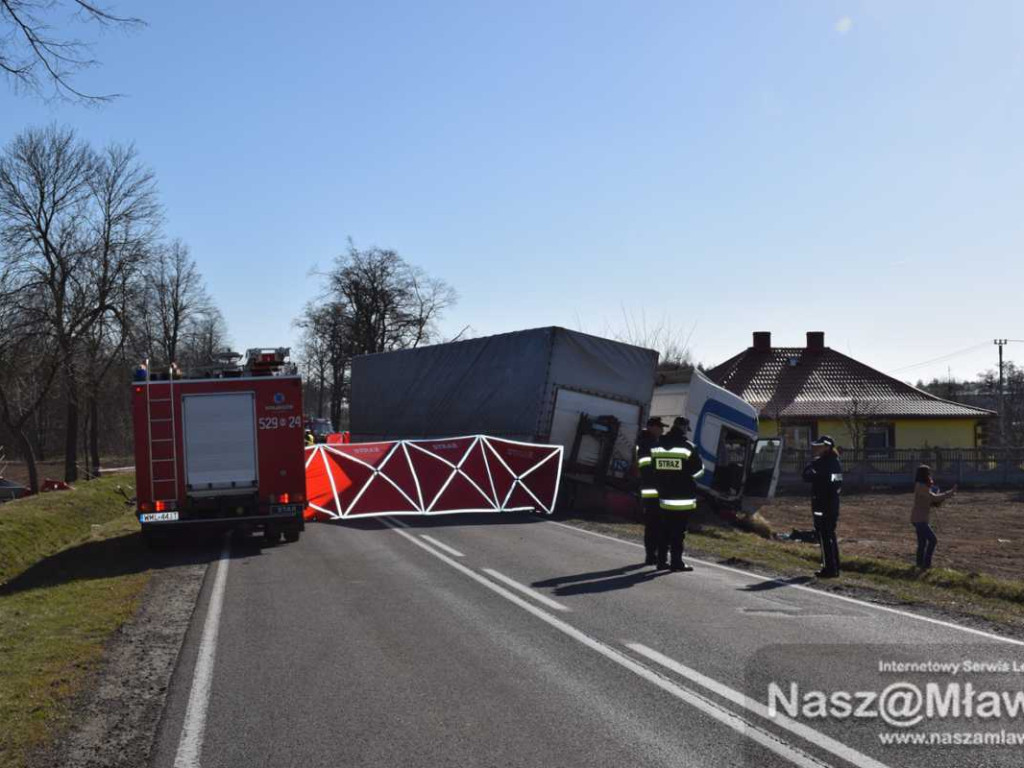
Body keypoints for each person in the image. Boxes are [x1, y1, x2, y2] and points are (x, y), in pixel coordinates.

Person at [650, 416, 705, 572]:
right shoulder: (688, 447)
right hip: (683, 497)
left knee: (664, 529)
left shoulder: (657, 446)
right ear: (684, 429)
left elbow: (654, 468)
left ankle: (661, 561)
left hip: (664, 496)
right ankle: (676, 562)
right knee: (678, 531)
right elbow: (698, 472)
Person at [802, 435, 843, 578]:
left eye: (819, 446)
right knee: (825, 535)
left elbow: (836, 482)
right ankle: (832, 567)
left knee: (827, 535)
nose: (816, 448)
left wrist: (819, 477)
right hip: (820, 503)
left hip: (827, 504)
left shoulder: (833, 463)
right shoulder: (819, 462)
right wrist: (815, 474)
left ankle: (830, 569)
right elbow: (806, 475)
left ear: (827, 447)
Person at [911, 465, 956, 570]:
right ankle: (926, 564)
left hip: (919, 518)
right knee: (933, 540)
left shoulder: (921, 485)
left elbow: (930, 499)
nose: (930, 475)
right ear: (924, 474)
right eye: (928, 473)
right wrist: (950, 493)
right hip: (920, 519)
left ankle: (919, 565)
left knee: (922, 543)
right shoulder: (921, 487)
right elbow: (934, 498)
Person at [635, 416, 666, 566]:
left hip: (651, 489)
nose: (662, 430)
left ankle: (651, 555)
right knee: (655, 525)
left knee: (654, 525)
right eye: (660, 427)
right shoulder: (648, 444)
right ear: (652, 427)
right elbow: (647, 467)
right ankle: (651, 555)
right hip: (653, 490)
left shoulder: (649, 442)